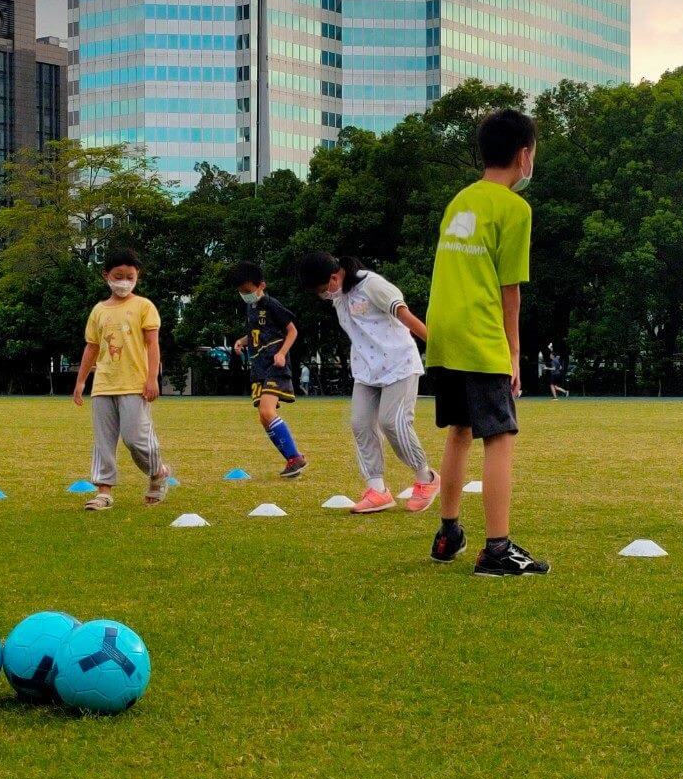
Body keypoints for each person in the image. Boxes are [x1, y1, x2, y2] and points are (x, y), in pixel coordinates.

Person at [424, 109, 550, 576]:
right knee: (499, 436)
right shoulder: (515, 208)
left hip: (444, 332)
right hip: (480, 331)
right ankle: (497, 548)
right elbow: (509, 288)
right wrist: (513, 351)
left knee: (460, 430)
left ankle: (448, 532)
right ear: (524, 156)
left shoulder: (460, 200)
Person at [298, 252, 441, 514]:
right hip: (366, 369)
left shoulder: (371, 284)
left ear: (333, 277)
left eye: (321, 289)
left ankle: (426, 479)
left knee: (392, 422)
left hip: (399, 364)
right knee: (360, 423)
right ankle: (377, 490)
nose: (322, 295)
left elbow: (403, 315)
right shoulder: (338, 296)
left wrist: (437, 347)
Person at [72, 248, 170, 511]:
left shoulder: (144, 306)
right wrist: (81, 381)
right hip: (104, 384)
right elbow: (91, 347)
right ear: (106, 276)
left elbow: (152, 344)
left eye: (129, 276)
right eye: (118, 276)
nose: (124, 281)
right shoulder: (99, 310)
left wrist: (152, 378)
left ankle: (158, 472)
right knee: (103, 440)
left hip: (135, 384)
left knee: (135, 438)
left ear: (138, 276)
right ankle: (104, 491)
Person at [230, 261, 307, 478]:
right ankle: (293, 459)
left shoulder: (271, 304)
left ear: (261, 285)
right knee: (264, 418)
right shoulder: (250, 307)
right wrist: (242, 341)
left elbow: (292, 331)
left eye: (248, 291)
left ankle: (296, 458)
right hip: (258, 367)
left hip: (274, 365)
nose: (244, 295)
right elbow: (258, 333)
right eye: (241, 291)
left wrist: (282, 353)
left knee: (267, 411)